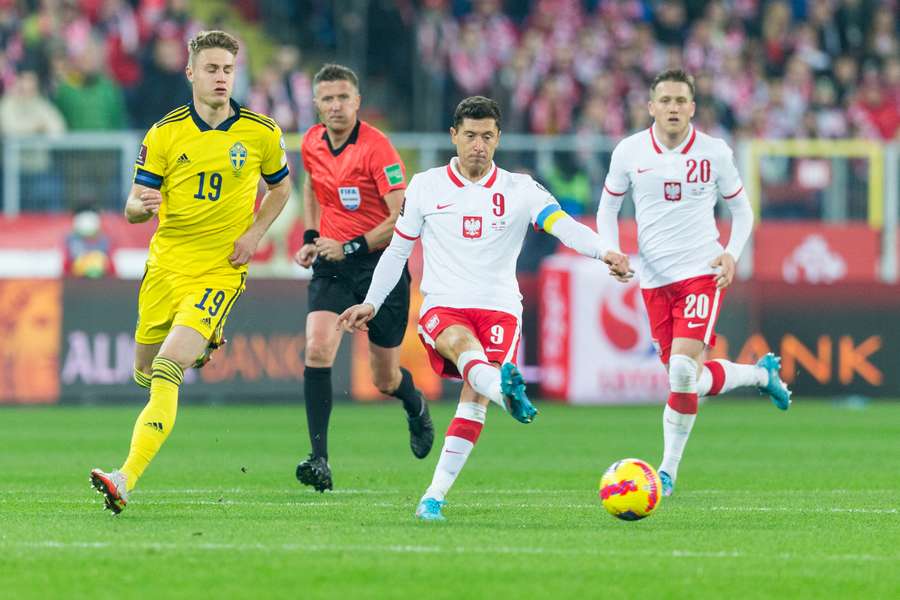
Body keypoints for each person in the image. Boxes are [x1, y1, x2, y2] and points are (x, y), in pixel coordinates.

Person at [338, 96, 611, 521]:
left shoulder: (521, 189)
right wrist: (372, 301)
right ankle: (507, 394)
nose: (478, 145)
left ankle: (434, 496)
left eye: (486, 136)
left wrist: (604, 252)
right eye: (470, 136)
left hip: (500, 309)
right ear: (454, 136)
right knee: (464, 347)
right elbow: (397, 251)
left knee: (474, 397)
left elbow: (564, 227)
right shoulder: (426, 186)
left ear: (498, 138)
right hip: (445, 305)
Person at [89, 30, 292, 513]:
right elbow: (133, 205)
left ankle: (124, 478)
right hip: (165, 267)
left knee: (166, 367)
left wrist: (254, 235)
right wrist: (139, 209)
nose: (221, 78)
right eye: (211, 69)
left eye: (228, 69)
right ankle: (203, 345)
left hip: (219, 270)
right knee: (144, 371)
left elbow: (281, 188)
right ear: (191, 73)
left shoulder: (261, 132)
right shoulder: (164, 133)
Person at [595, 69, 792, 498]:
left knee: (684, 370)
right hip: (654, 281)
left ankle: (666, 473)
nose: (673, 108)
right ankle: (760, 375)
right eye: (665, 100)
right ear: (651, 107)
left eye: (680, 101)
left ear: (692, 108)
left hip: (701, 272)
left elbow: (743, 211)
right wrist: (610, 250)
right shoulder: (629, 151)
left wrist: (731, 253)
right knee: (686, 381)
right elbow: (607, 208)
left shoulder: (714, 152)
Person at [293, 64, 434, 493]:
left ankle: (414, 404)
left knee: (384, 379)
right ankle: (319, 459)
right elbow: (311, 186)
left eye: (343, 98)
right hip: (333, 264)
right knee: (317, 348)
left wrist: (351, 246)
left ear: (357, 102)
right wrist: (312, 237)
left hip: (380, 266)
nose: (336, 106)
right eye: (328, 98)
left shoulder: (378, 149)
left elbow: (401, 218)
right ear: (316, 104)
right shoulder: (311, 142)